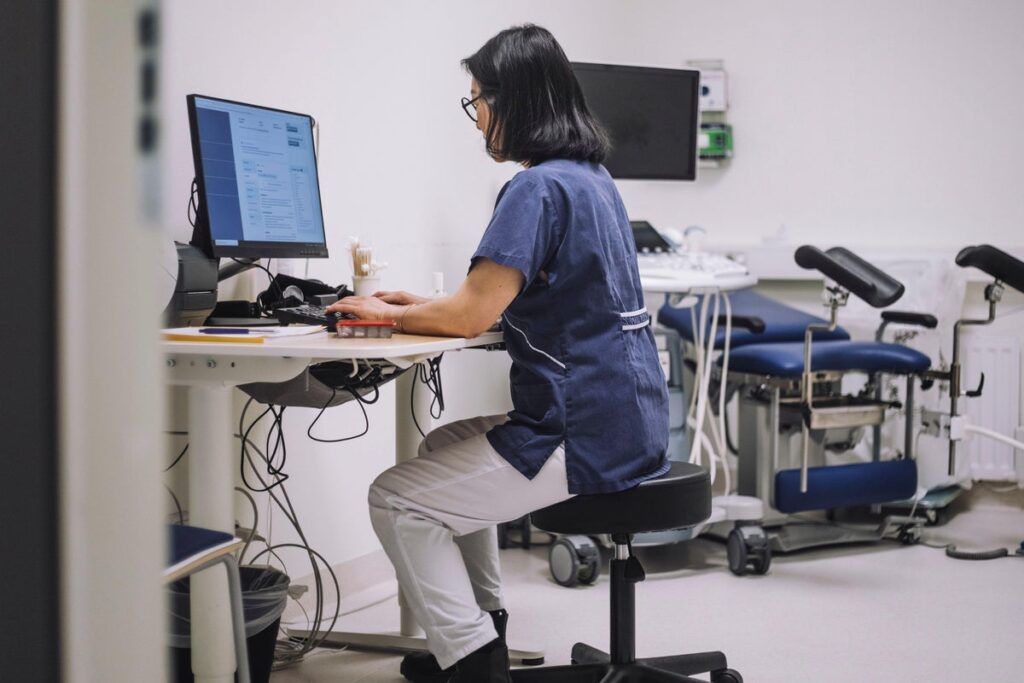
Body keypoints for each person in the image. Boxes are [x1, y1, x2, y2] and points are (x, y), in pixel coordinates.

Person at [327, 24, 669, 683]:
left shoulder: (535, 189)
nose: (476, 116)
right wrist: (404, 310)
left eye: (479, 99)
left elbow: (473, 311)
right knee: (440, 449)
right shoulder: (592, 179)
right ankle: (486, 621)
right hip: (628, 419)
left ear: (518, 101)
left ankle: (474, 660)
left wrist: (387, 313)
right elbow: (495, 297)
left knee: (394, 497)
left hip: (582, 432)